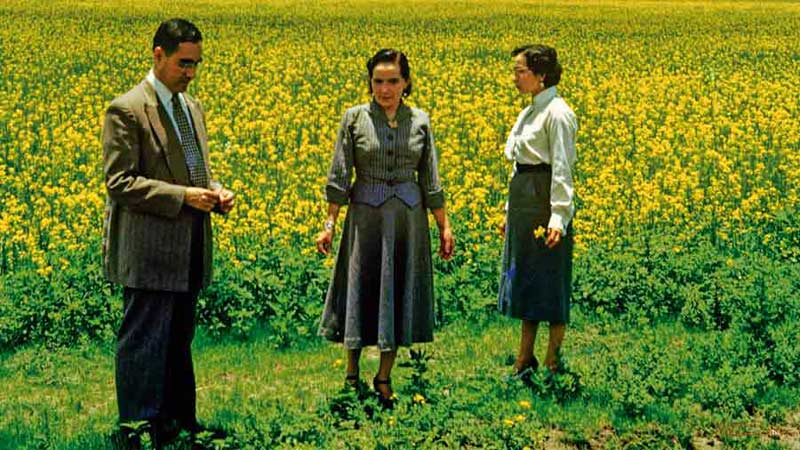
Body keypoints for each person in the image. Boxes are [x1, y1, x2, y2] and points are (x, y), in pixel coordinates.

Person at [102, 18, 234, 448]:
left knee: (179, 339)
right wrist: (184, 197)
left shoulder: (191, 107)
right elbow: (119, 183)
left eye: (196, 64)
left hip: (190, 245)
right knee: (144, 341)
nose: (191, 73)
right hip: (150, 249)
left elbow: (193, 170)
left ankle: (178, 423)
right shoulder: (127, 109)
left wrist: (215, 191)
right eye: (184, 63)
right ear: (158, 55)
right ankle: (138, 430)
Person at [316, 48, 455, 408]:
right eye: (378, 81)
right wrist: (329, 225)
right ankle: (351, 376)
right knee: (359, 291)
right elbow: (339, 176)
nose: (385, 89)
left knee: (396, 292)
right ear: (370, 82)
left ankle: (383, 378)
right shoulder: (354, 118)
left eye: (393, 81)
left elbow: (430, 179)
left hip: (407, 222)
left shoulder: (420, 121)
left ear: (406, 82)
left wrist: (444, 226)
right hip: (365, 220)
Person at [498, 44, 577, 377]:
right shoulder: (530, 110)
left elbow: (562, 167)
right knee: (527, 282)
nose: (515, 78)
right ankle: (524, 359)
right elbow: (520, 166)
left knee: (552, 281)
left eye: (521, 71)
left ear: (541, 75)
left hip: (545, 200)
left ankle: (552, 362)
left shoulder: (558, 113)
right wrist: (510, 211)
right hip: (525, 200)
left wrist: (558, 217)